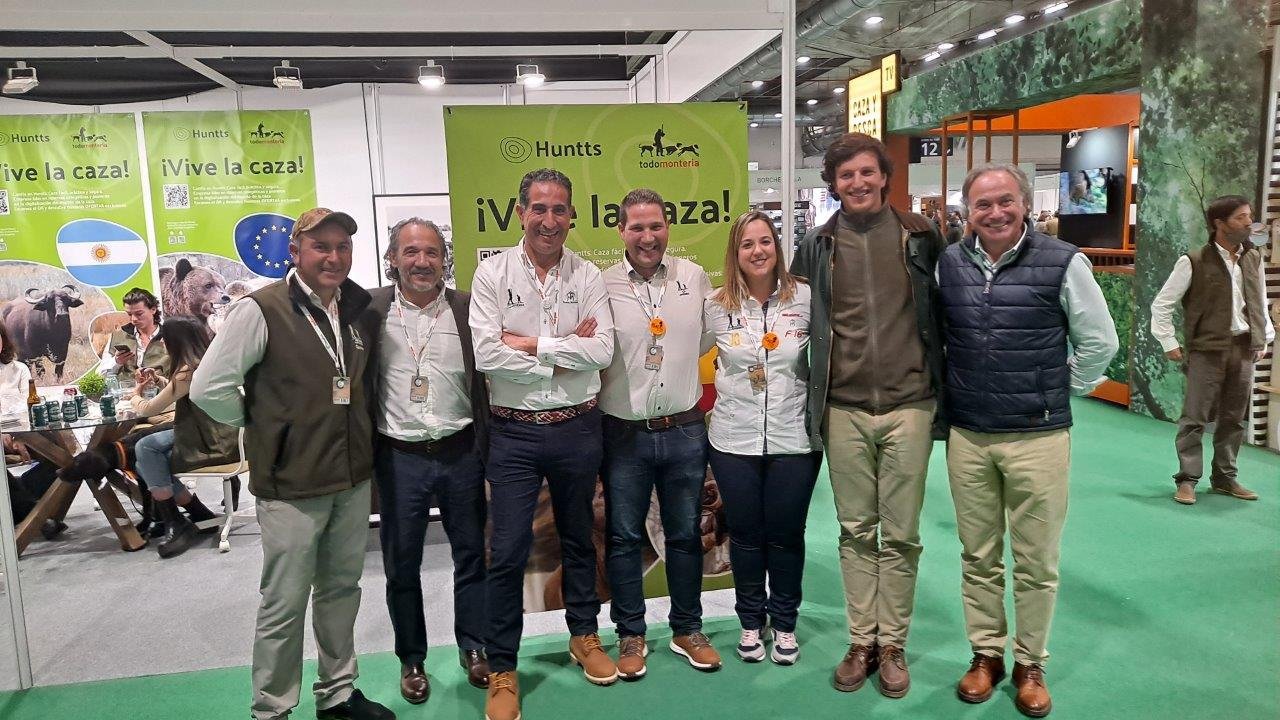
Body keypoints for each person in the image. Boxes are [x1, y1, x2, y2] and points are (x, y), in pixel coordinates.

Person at [191, 207, 394, 720]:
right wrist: (263, 424)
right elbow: (208, 388)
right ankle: (272, 709)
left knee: (341, 591)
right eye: (321, 246)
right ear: (295, 251)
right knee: (284, 601)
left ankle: (338, 694)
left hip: (351, 479)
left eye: (342, 247)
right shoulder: (261, 310)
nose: (333, 257)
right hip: (291, 484)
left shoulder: (357, 307)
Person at [937, 164, 1117, 718]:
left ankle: (1030, 662)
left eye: (1005, 201)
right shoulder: (949, 264)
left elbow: (1100, 341)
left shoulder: (1063, 261)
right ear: (968, 211)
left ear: (1024, 203)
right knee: (979, 555)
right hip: (969, 435)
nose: (995, 213)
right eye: (983, 204)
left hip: (1038, 436)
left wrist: (1059, 389)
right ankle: (985, 654)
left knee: (1036, 560)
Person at [790, 131, 946, 698]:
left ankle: (893, 644)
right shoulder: (816, 245)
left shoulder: (922, 235)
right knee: (855, 530)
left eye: (866, 172)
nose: (857, 183)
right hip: (843, 407)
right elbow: (794, 318)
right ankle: (862, 641)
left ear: (884, 177)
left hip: (911, 403)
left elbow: (945, 311)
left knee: (900, 534)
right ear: (833, 185)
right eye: (845, 175)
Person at [469, 168, 616, 720]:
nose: (549, 221)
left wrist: (529, 344)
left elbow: (601, 351)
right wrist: (563, 347)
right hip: (513, 433)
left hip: (578, 427)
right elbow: (487, 355)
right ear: (521, 212)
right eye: (539, 208)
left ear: (571, 215)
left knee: (580, 539)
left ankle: (584, 635)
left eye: (559, 210)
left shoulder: (589, 275)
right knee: (507, 551)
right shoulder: (492, 273)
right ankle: (503, 666)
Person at [598, 188, 719, 680]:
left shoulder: (694, 277)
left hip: (685, 429)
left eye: (655, 226)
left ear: (668, 228)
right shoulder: (602, 284)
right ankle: (631, 634)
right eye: (637, 227)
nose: (647, 237)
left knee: (685, 534)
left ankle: (688, 629)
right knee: (625, 536)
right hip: (624, 433)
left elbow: (705, 339)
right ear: (621, 231)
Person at [369, 217, 491, 703]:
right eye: (411, 252)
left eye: (432, 252)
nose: (422, 262)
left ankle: (474, 647)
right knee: (402, 563)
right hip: (399, 456)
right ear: (393, 259)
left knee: (472, 556)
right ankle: (412, 659)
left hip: (461, 450)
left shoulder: (468, 308)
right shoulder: (370, 311)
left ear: (445, 259)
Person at [705, 211, 819, 667]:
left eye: (765, 241)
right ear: (735, 253)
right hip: (734, 441)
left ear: (777, 246)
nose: (757, 251)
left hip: (794, 440)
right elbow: (676, 350)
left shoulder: (805, 297)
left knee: (787, 537)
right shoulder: (715, 305)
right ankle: (751, 622)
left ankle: (785, 623)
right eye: (747, 244)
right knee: (747, 537)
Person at [1150, 195, 1274, 504]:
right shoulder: (1192, 261)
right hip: (1206, 350)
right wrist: (1168, 341)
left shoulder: (1253, 258)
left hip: (1244, 348)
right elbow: (1162, 304)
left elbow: (1260, 299)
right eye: (1241, 217)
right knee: (1195, 418)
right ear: (1220, 223)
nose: (1249, 223)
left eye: (1249, 216)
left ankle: (1224, 478)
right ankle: (1187, 479)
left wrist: (1264, 337)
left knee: (1233, 418)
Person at [129, 315, 238, 558]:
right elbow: (181, 392)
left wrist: (134, 395)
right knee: (146, 460)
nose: (162, 344)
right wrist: (159, 381)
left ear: (175, 341)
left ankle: (175, 522)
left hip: (212, 442)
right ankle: (197, 513)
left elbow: (149, 409)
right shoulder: (205, 362)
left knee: (145, 448)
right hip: (225, 436)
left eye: (165, 339)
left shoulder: (187, 371)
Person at [99, 287, 169, 382]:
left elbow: (183, 373)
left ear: (153, 309)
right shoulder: (118, 336)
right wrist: (116, 362)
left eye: (139, 314)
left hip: (162, 389)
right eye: (129, 314)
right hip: (127, 390)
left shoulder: (171, 337)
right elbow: (101, 374)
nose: (134, 319)